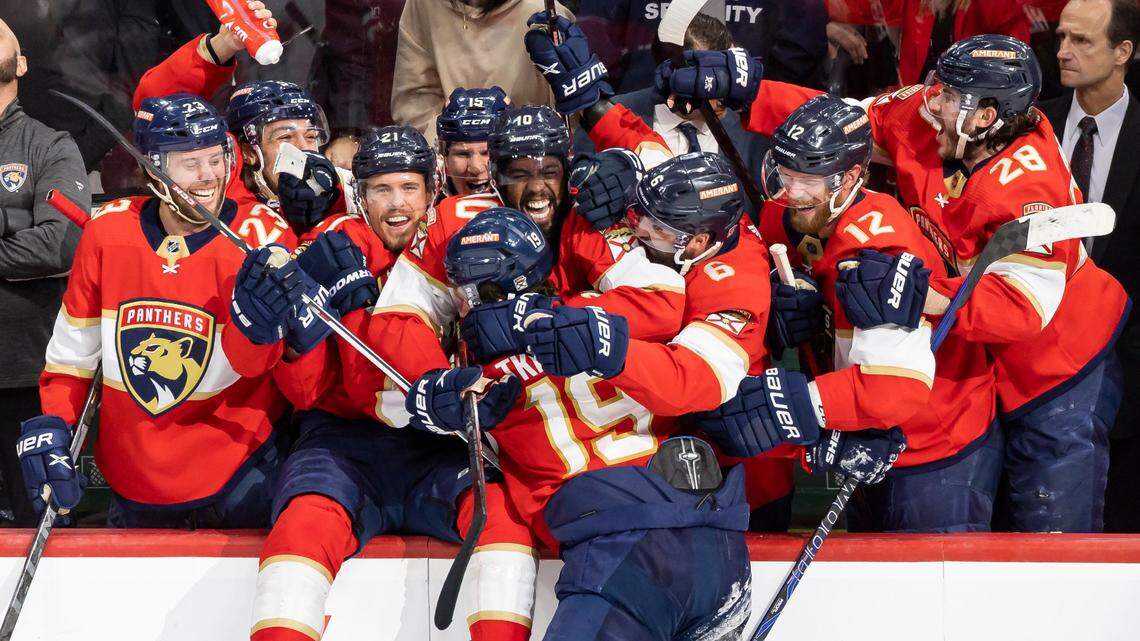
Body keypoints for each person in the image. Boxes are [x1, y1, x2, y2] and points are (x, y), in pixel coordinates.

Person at [659, 34, 1129, 533]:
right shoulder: (936, 121)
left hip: (1057, 367)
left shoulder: (1030, 185)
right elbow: (844, 125)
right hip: (972, 368)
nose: (931, 103)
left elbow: (1019, 310)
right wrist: (748, 92)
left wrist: (917, 293)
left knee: (1048, 530)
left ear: (985, 116)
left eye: (949, 97)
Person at [408, 204, 901, 641]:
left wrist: (431, 401)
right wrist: (819, 442)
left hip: (622, 558)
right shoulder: (617, 323)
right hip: (715, 546)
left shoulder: (476, 382)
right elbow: (715, 405)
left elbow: (413, 420)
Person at [703, 95, 1000, 532]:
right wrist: (791, 295)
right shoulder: (795, 211)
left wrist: (794, 406)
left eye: (808, 179)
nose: (790, 191)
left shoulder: (878, 248)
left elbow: (895, 388)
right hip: (871, 439)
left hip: (935, 447)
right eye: (785, 174)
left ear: (851, 179)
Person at [28, 93, 301, 528]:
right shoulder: (107, 232)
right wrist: (54, 424)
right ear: (153, 169)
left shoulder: (262, 237)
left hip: (239, 474)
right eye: (190, 163)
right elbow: (71, 359)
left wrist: (258, 326)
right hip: (131, 478)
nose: (208, 175)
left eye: (215, 158)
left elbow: (255, 365)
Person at [1039, 0, 1140, 533]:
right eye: (1061, 38)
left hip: (1125, 362)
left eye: (1082, 41)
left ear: (1123, 51)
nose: (1063, 52)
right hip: (1027, 358)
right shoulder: (1031, 125)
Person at [131, 2, 352, 235]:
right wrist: (223, 45)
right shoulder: (219, 184)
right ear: (247, 151)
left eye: (310, 136)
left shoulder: (338, 191)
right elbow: (154, 106)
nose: (303, 149)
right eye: (285, 136)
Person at [0, 17, 86, 525]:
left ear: (22, 63)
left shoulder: (49, 145)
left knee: (40, 525)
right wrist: (14, 224)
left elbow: (60, 244)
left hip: (24, 375)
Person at [570, 12, 772, 181]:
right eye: (712, 79)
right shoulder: (608, 119)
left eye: (727, 74)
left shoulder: (753, 133)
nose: (725, 93)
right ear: (671, 76)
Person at [391, 0, 561, 145]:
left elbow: (564, 116)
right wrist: (454, 150)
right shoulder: (423, 6)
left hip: (528, 156)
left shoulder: (545, 13)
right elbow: (414, 105)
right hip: (452, 158)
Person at [436, 86, 510, 197]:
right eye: (463, 154)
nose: (476, 168)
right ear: (444, 160)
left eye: (488, 153)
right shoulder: (429, 211)